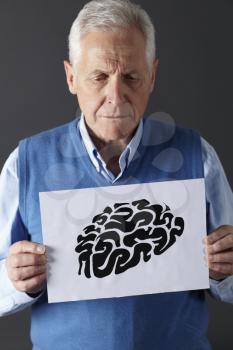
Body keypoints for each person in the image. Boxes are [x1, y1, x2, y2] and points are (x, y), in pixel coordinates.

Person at [0, 0, 233, 349]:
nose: (115, 96)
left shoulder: (198, 157)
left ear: (152, 77)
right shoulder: (26, 163)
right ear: (71, 77)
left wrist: (224, 270)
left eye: (131, 77)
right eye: (99, 76)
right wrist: (14, 279)